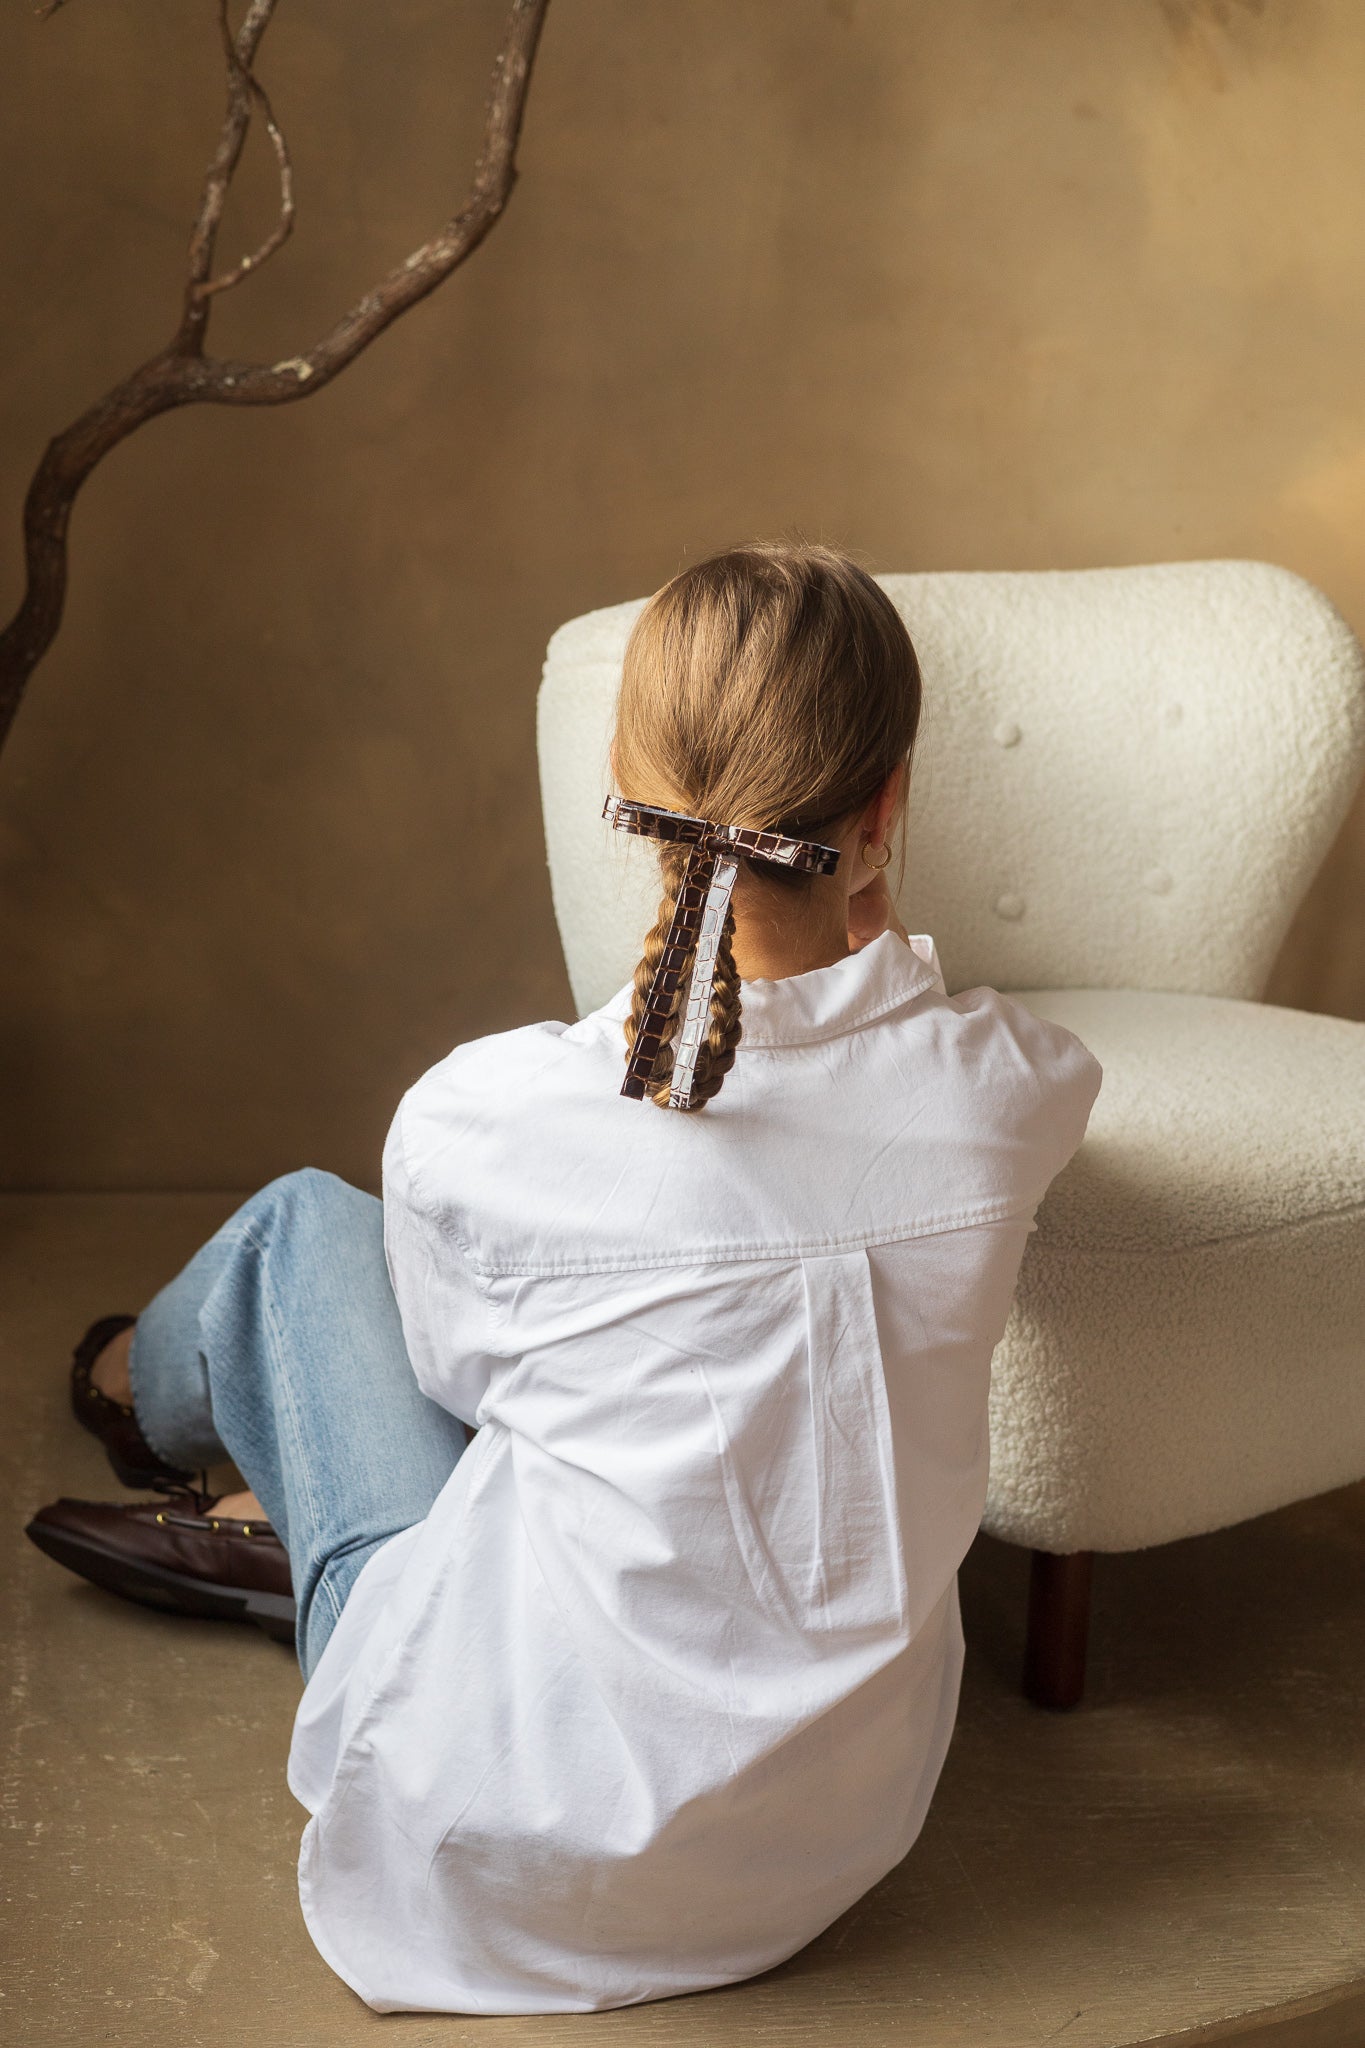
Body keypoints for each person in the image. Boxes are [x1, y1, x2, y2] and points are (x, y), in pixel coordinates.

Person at [27, 541, 1102, 2016]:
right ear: (887, 806)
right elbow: (903, 1057)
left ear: (624, 783)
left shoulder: (488, 1117)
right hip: (823, 1848)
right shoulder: (1014, 1090)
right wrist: (862, 930)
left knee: (299, 1230)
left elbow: (455, 1392)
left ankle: (150, 1411)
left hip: (507, 1841)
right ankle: (232, 1497)